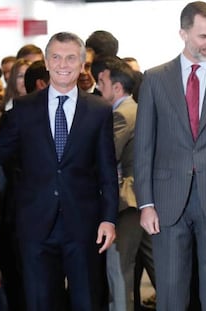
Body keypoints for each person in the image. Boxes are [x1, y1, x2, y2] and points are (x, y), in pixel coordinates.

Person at [0, 31, 118, 311]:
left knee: (87, 301)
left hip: (84, 224)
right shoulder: (23, 109)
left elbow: (107, 170)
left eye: (71, 57)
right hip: (34, 225)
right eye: (56, 57)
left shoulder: (99, 110)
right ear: (46, 63)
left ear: (82, 64)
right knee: (39, 302)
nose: (63, 64)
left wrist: (109, 219)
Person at [134, 2, 206, 310]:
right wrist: (146, 204)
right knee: (169, 294)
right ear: (183, 33)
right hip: (166, 200)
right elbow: (143, 146)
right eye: (204, 36)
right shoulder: (154, 78)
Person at [92, 56, 140, 311]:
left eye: (102, 82)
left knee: (119, 273)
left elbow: (107, 156)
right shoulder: (133, 109)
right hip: (137, 202)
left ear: (117, 87)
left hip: (125, 201)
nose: (98, 88)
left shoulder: (122, 114)